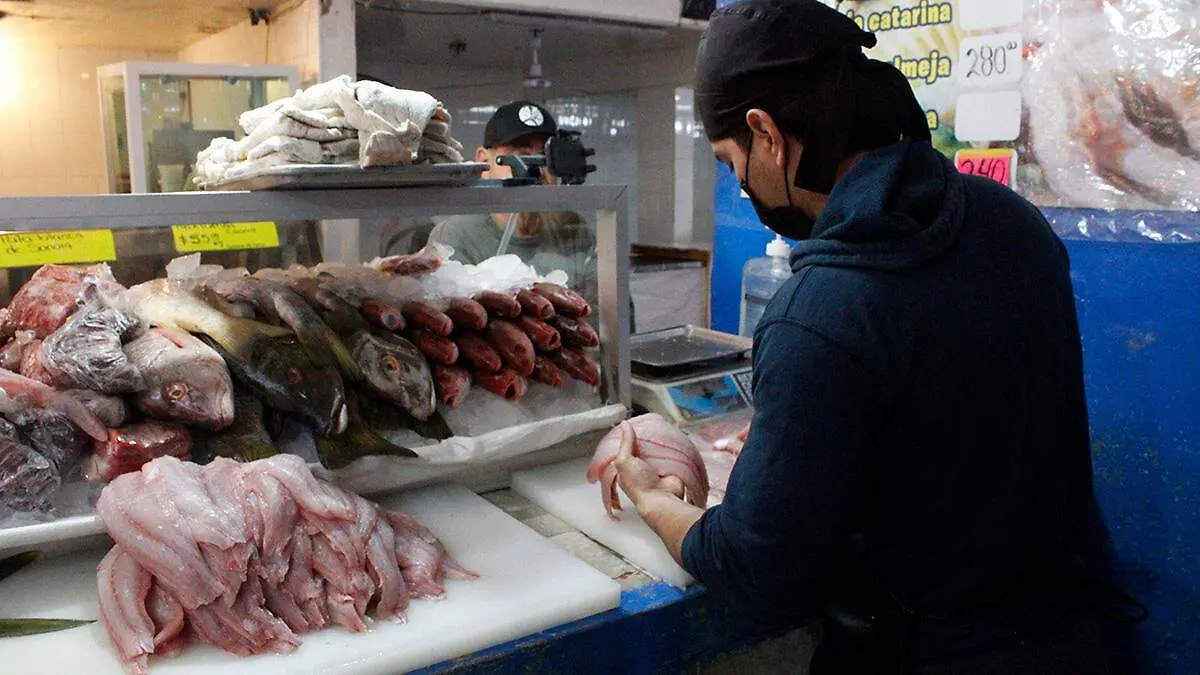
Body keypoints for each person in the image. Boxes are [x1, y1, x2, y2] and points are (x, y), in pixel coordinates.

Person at [612, 1, 1122, 672]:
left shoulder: (822, 310)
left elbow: (757, 567)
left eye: (730, 157)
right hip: (1079, 637)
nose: (739, 180)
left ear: (766, 134)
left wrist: (651, 499)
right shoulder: (1013, 222)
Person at [428, 101, 595, 286]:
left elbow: (605, 304)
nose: (536, 167)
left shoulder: (572, 229)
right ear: (484, 161)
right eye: (521, 154)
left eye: (545, 155)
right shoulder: (455, 236)